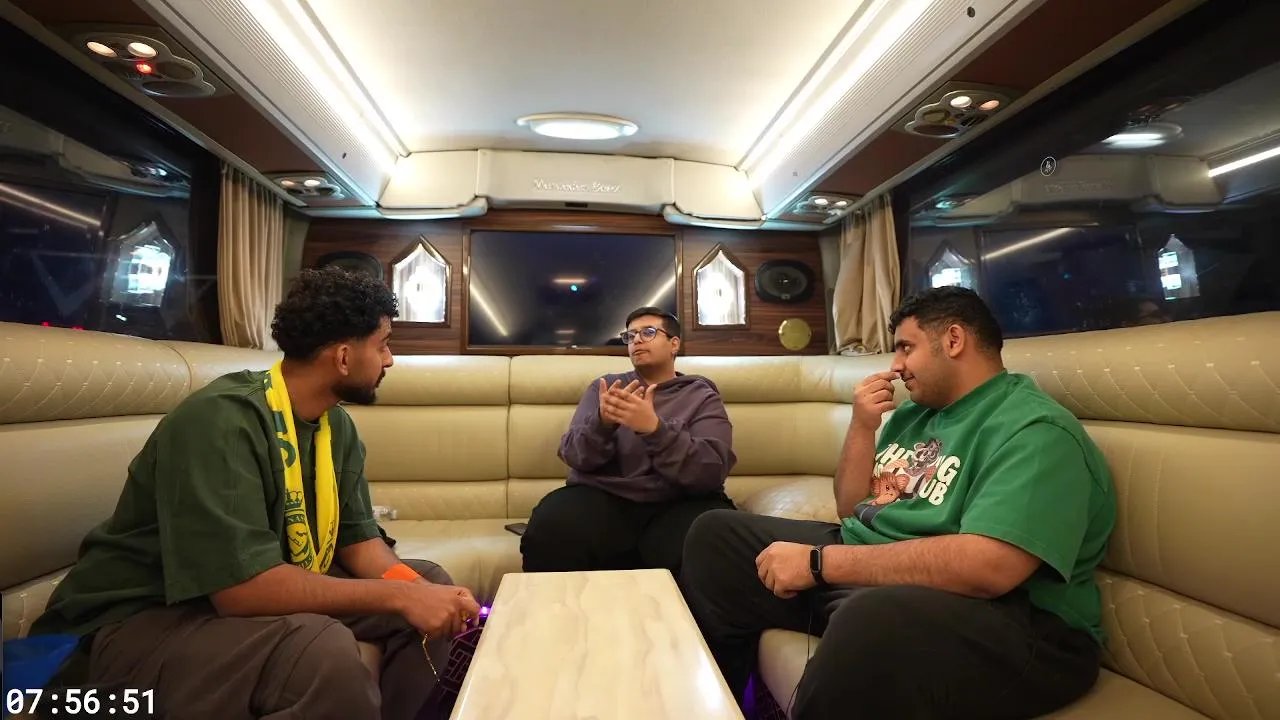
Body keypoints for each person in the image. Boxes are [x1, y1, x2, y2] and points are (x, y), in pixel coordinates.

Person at [29, 267, 480, 720]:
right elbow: (243, 591)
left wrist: (418, 590)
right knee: (317, 652)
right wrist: (399, 597)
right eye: (382, 344)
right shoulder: (220, 422)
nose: (389, 360)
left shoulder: (335, 427)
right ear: (344, 357)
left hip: (219, 603)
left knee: (432, 582)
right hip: (132, 622)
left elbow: (359, 544)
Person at [681, 287, 1116, 719]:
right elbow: (852, 509)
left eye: (906, 347)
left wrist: (819, 563)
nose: (896, 365)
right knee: (716, 537)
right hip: (884, 579)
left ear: (954, 340)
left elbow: (989, 568)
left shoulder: (1035, 430)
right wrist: (862, 426)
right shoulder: (915, 413)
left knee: (871, 619)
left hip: (1022, 624)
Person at [520, 307, 737, 575]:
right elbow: (574, 455)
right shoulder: (606, 388)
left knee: (712, 536)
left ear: (674, 344)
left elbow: (711, 469)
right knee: (552, 522)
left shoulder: (701, 395)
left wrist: (655, 429)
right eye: (630, 336)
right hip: (606, 497)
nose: (636, 340)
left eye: (648, 332)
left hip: (679, 501)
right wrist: (602, 423)